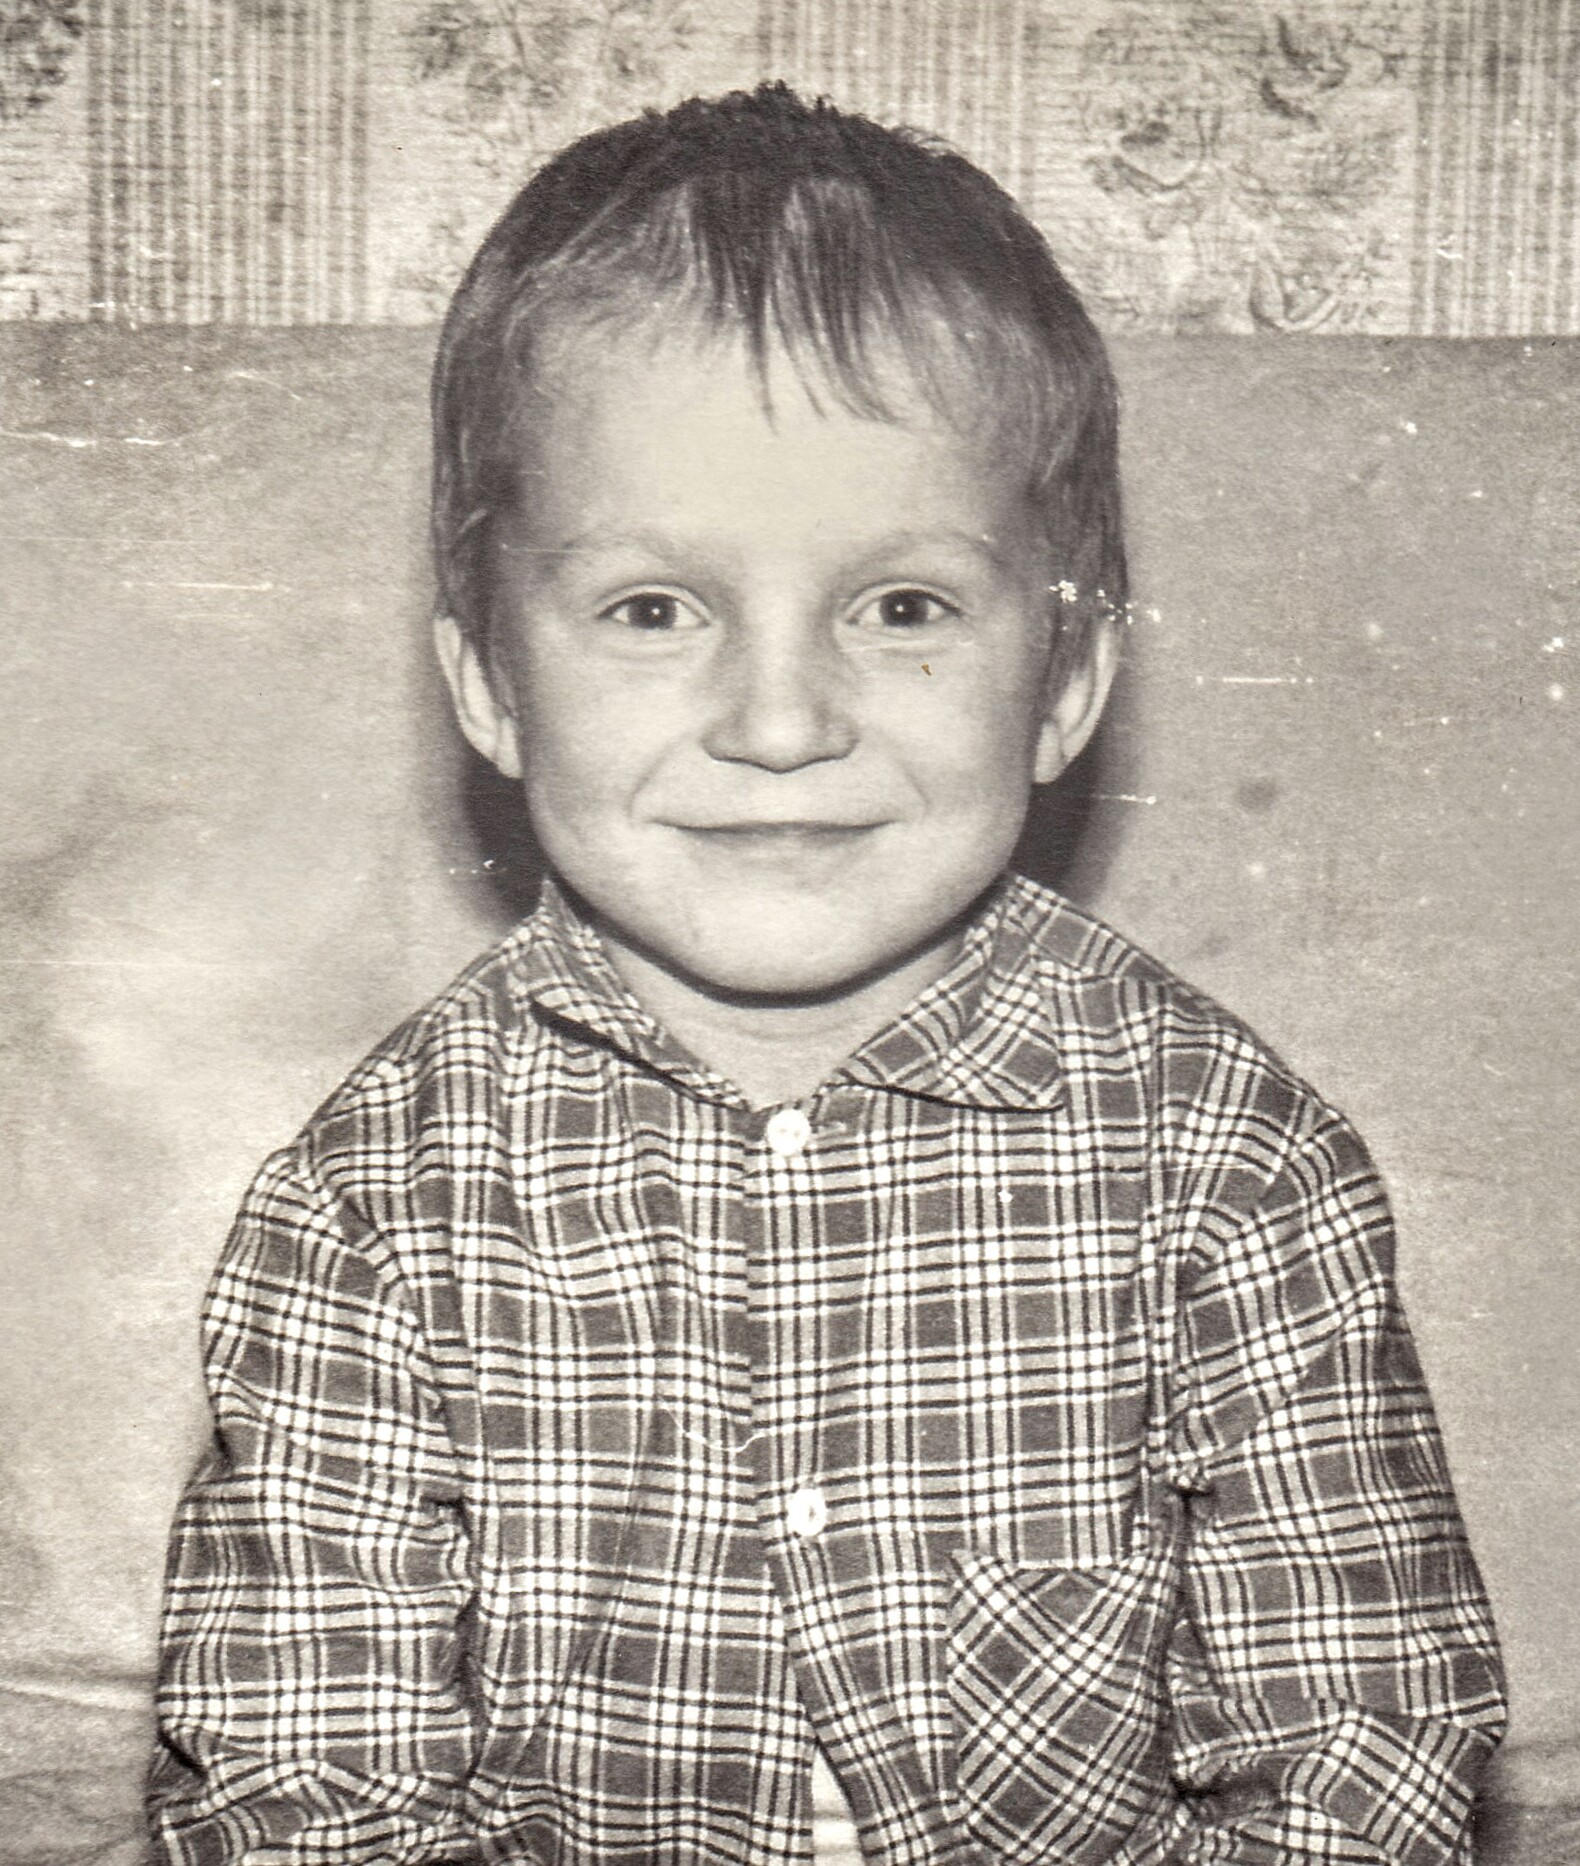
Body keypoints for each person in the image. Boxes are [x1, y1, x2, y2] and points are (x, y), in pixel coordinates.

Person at [148, 83, 1505, 1865]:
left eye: (902, 607)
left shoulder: (1236, 1168)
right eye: (654, 608)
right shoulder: (367, 1205)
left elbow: (1355, 1746)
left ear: (1067, 680)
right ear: (487, 682)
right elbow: (302, 1783)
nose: (781, 720)